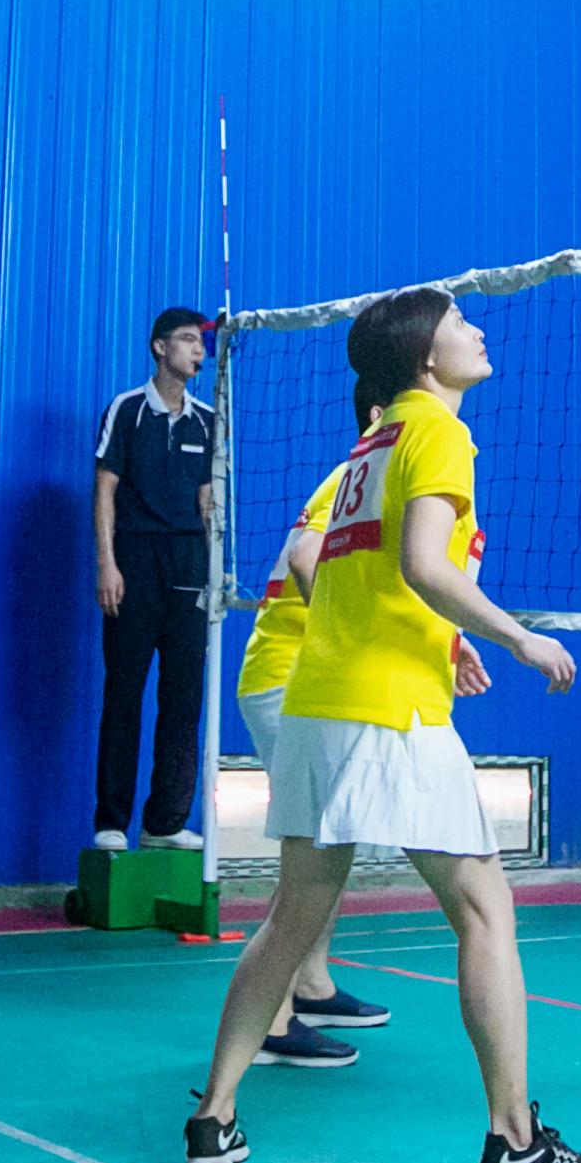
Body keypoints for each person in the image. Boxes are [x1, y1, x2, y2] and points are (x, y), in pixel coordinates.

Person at [185, 286, 581, 1163]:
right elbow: (422, 563)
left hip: (320, 703)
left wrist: (441, 640)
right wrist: (518, 637)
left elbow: (363, 577)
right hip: (391, 715)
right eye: (459, 323)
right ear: (424, 356)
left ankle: (213, 1116)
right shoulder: (438, 431)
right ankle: (514, 1141)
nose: (476, 332)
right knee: (486, 914)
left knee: (291, 920)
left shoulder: (369, 447)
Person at [218, 440, 404, 1072]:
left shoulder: (373, 478)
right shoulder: (358, 474)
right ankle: (271, 1021)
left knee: (331, 840)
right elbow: (305, 558)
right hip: (290, 679)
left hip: (305, 679)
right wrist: (352, 636)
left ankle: (313, 986)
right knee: (310, 849)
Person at [87, 309, 219, 854]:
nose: (198, 351)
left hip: (189, 568)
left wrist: (215, 566)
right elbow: (104, 489)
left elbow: (208, 500)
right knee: (124, 693)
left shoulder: (208, 420)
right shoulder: (126, 410)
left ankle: (164, 822)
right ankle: (112, 821)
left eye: (201, 343)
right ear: (160, 347)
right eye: (188, 340)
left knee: (183, 699)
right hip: (135, 562)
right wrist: (107, 563)